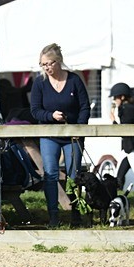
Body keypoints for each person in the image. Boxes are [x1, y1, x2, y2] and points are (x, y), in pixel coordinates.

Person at [29, 44, 91, 228]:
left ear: (59, 61)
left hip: (73, 135)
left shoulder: (74, 80)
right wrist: (50, 116)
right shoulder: (39, 83)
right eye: (43, 64)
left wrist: (79, 129)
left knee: (74, 175)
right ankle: (53, 216)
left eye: (50, 63)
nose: (47, 67)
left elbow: (84, 107)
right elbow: (35, 110)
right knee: (50, 174)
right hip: (49, 134)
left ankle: (76, 213)